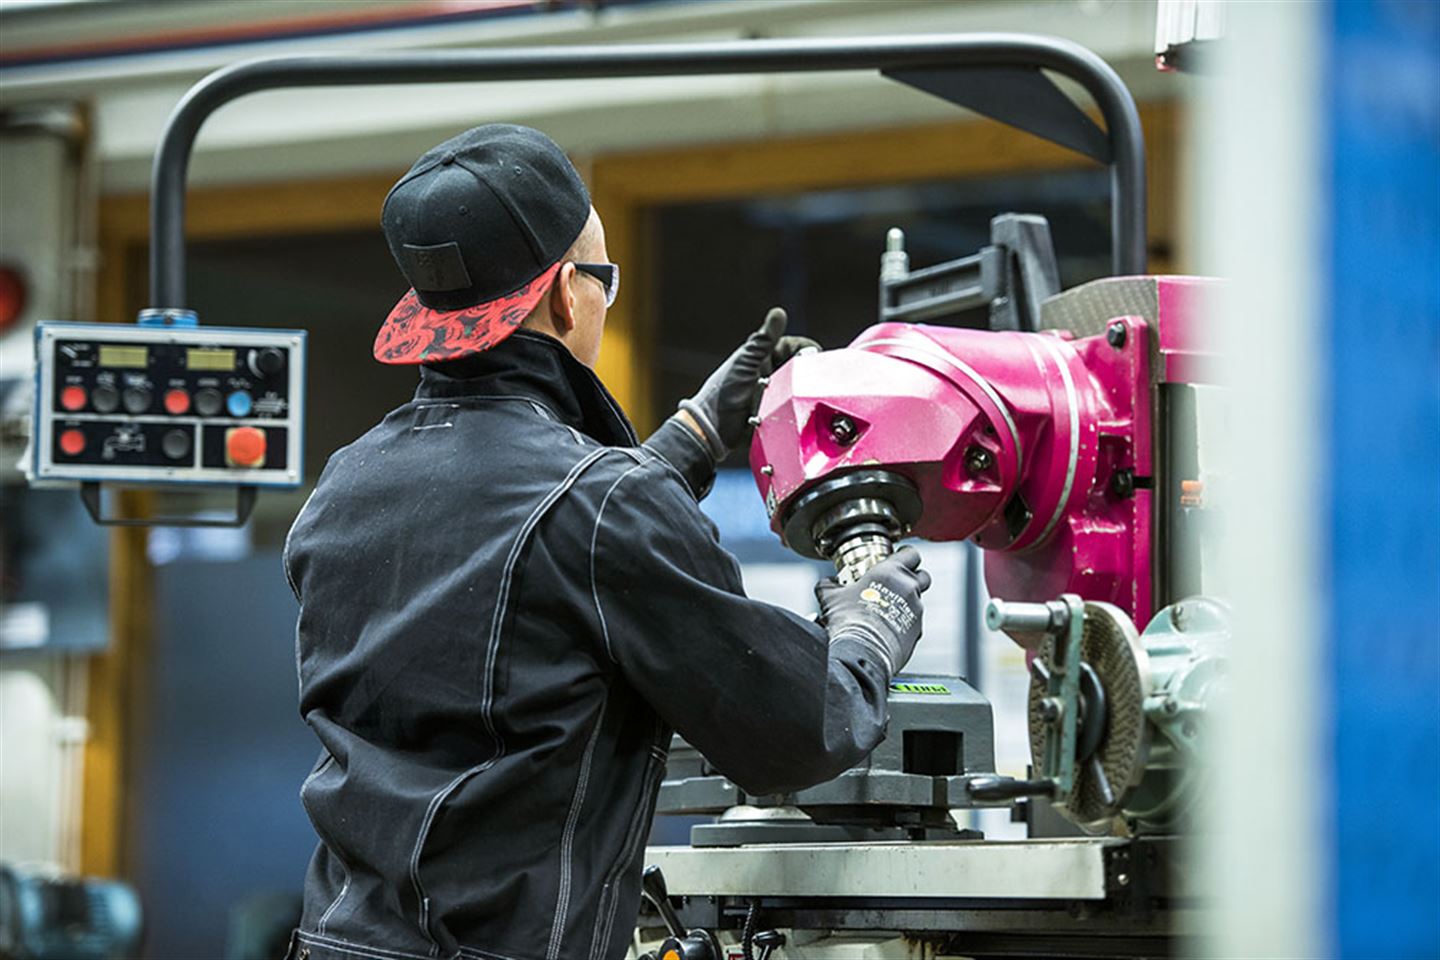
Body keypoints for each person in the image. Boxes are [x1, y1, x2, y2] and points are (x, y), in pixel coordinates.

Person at [284, 124, 931, 960]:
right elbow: (798, 730)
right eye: (603, 277)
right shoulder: (601, 506)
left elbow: (513, 562)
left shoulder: (345, 485)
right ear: (564, 295)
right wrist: (867, 630)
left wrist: (692, 437)